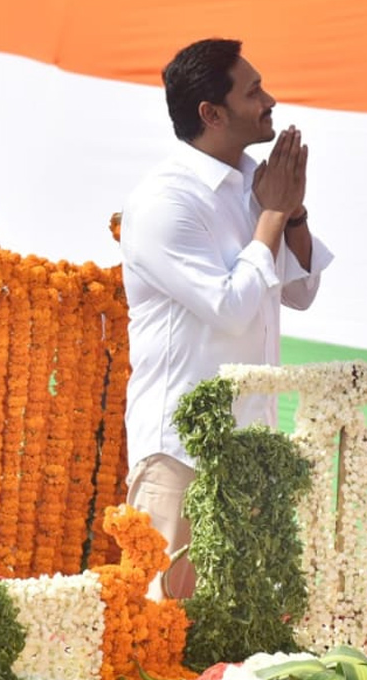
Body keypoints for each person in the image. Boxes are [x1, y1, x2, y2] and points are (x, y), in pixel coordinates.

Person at [119, 37, 332, 599]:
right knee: (164, 630)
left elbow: (302, 291)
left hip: (250, 450)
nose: (271, 100)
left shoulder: (250, 187)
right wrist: (271, 214)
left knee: (233, 643)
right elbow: (231, 309)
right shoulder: (167, 201)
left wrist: (293, 212)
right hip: (181, 454)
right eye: (254, 90)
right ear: (211, 113)